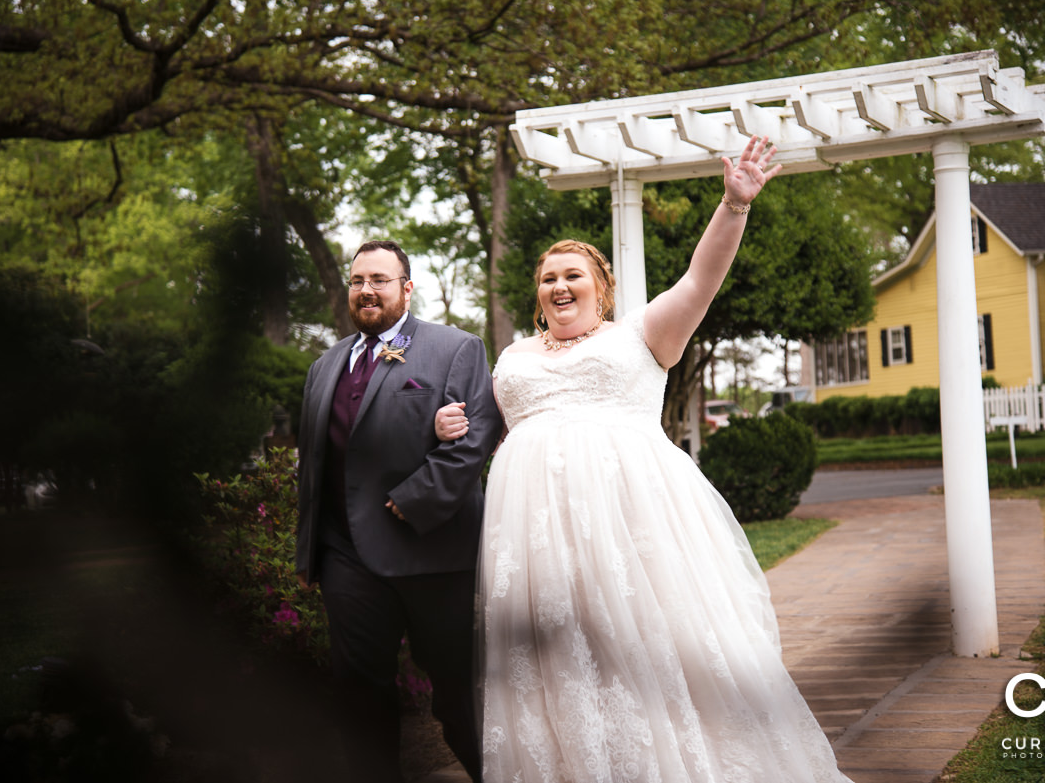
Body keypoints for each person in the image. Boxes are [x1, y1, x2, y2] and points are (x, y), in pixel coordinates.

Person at [436, 137, 855, 782]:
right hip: (536, 542)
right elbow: (486, 432)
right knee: (558, 665)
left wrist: (733, 206)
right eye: (548, 278)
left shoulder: (641, 335)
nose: (558, 285)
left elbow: (700, 278)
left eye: (573, 274)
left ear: (601, 288)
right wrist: (449, 424)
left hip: (632, 528)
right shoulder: (514, 356)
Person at [296, 240, 503, 783]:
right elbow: (313, 467)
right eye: (358, 280)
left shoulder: (455, 348)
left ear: (406, 288)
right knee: (360, 697)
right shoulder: (323, 366)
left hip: (430, 554)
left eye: (380, 280)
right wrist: (309, 549)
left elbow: (473, 438)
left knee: (459, 697)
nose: (367, 290)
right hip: (346, 560)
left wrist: (411, 503)